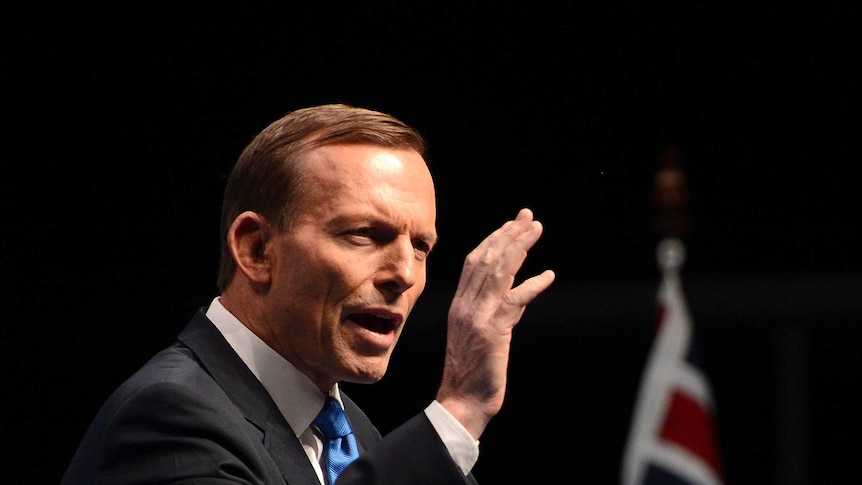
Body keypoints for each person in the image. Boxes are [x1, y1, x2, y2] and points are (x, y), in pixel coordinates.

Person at [60, 103, 556, 484]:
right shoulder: (170, 416)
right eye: (364, 233)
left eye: (421, 246)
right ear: (256, 250)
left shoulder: (350, 432)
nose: (404, 273)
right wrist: (461, 407)